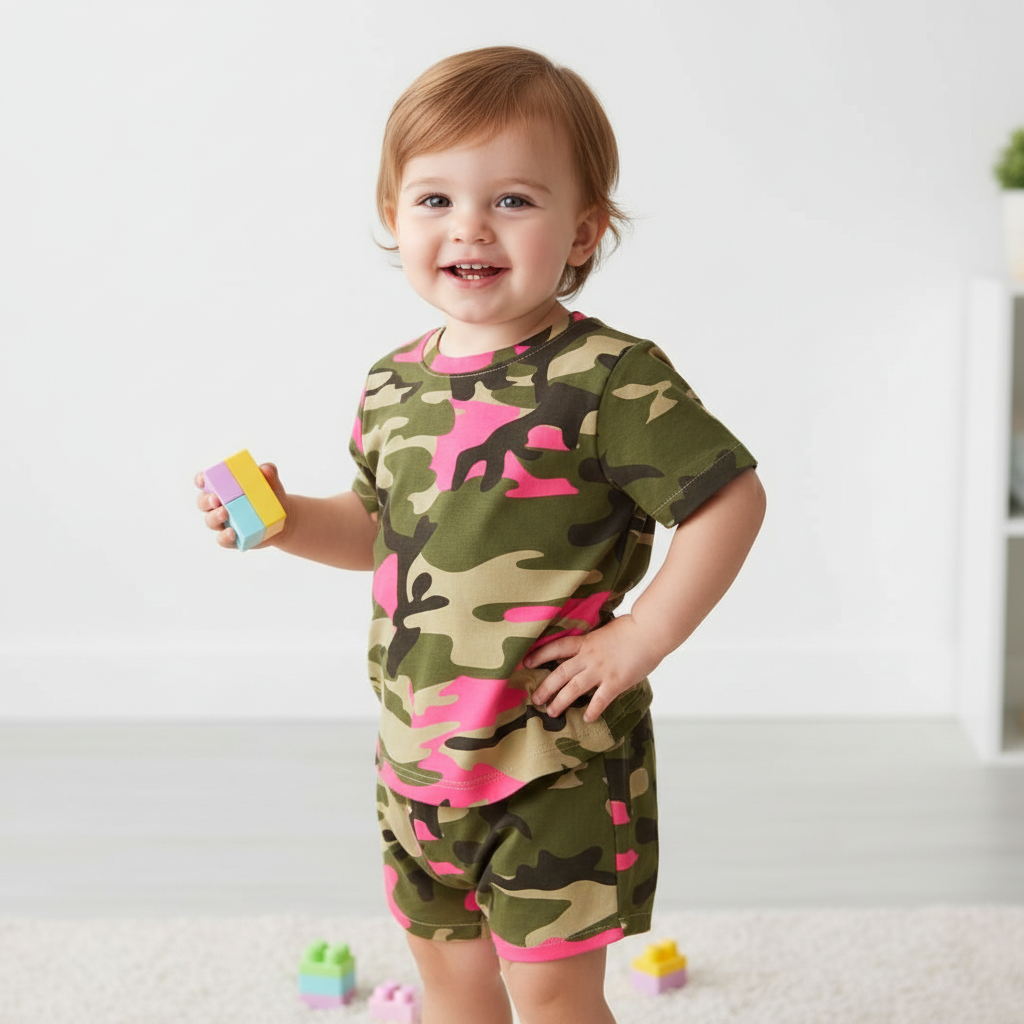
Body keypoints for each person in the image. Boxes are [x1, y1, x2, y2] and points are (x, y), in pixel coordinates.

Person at [195, 45, 766, 1024]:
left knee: (549, 996)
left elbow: (729, 497)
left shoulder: (608, 376)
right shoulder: (391, 382)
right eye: (434, 201)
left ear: (583, 230)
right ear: (391, 217)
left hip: (551, 759)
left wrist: (641, 635)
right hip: (418, 757)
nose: (469, 226)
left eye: (512, 200)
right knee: (452, 983)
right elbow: (379, 529)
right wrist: (287, 522)